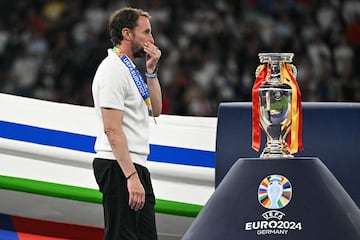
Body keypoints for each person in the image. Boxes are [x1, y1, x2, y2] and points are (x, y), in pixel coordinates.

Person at [91, 7, 162, 240]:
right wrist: (131, 177)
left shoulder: (129, 70)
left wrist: (151, 71)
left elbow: (157, 110)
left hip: (132, 164)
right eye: (146, 32)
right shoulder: (113, 69)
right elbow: (111, 128)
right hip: (119, 166)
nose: (152, 40)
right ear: (127, 33)